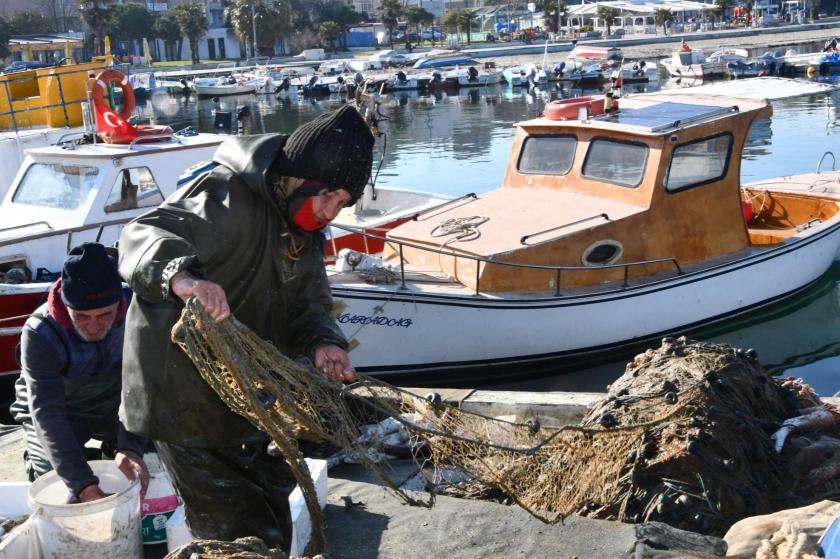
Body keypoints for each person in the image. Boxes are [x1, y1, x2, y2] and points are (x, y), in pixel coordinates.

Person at [118, 105, 375, 552]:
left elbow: (311, 302)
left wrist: (323, 342)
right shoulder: (226, 195)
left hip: (242, 393)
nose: (332, 211)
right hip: (180, 395)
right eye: (328, 196)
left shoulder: (304, 225)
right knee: (237, 530)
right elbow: (142, 232)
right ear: (299, 179)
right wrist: (183, 278)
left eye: (343, 204)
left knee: (276, 514)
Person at [10, 243, 149, 503]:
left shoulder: (137, 309)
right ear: (65, 303)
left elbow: (146, 384)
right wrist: (82, 484)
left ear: (118, 303)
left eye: (104, 315)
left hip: (117, 399)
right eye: (82, 316)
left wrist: (130, 446)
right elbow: (48, 412)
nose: (94, 326)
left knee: (156, 452)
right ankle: (46, 459)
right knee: (56, 480)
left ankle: (114, 446)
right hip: (60, 406)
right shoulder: (40, 332)